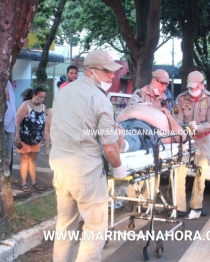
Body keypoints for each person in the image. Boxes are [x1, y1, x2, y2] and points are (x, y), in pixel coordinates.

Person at [50, 50, 126, 262]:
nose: (112, 76)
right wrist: (118, 168)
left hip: (61, 170)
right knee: (94, 229)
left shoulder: (65, 91)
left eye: (114, 72)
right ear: (91, 72)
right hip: (86, 174)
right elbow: (110, 148)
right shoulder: (99, 100)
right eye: (107, 72)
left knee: (65, 226)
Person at [173, 71, 210, 219]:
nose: (192, 90)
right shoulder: (181, 99)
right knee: (178, 172)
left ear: (202, 85)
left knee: (201, 174)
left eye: (195, 87)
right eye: (190, 87)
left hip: (202, 140)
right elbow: (176, 120)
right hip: (184, 139)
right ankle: (179, 207)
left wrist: (197, 127)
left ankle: (196, 206)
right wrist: (186, 127)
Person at [14, 87, 46, 192]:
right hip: (24, 138)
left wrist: (45, 139)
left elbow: (44, 123)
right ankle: (23, 183)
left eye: (43, 97)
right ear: (34, 95)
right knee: (25, 160)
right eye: (40, 97)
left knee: (32, 160)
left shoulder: (43, 107)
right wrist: (17, 137)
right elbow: (17, 122)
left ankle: (34, 182)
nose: (42, 99)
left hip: (36, 139)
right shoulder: (25, 105)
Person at [4, 80, 16, 181]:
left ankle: (8, 177)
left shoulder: (7, 82)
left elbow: (11, 103)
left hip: (11, 125)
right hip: (2, 126)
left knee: (8, 154)